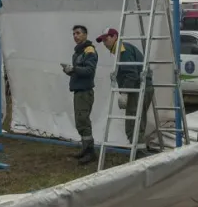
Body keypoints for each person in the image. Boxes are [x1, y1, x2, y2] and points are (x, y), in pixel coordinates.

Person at [96, 27, 153, 147]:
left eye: (107, 39)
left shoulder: (123, 49)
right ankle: (139, 152)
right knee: (136, 124)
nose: (105, 43)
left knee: (133, 126)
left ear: (115, 37)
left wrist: (125, 92)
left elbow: (131, 73)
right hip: (139, 88)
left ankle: (140, 154)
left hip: (138, 90)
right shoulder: (121, 49)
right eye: (103, 40)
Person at [62, 24, 98, 165]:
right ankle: (85, 149)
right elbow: (79, 71)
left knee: (83, 121)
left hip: (85, 92)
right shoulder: (77, 52)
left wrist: (74, 68)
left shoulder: (89, 50)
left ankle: (90, 152)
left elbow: (89, 71)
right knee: (80, 121)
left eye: (78, 33)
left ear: (85, 35)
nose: (75, 36)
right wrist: (69, 71)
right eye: (74, 34)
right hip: (79, 91)